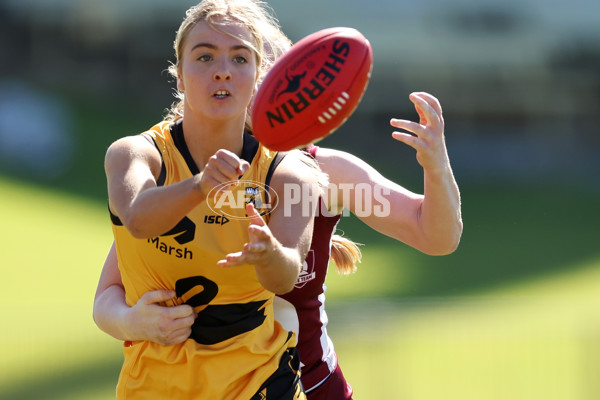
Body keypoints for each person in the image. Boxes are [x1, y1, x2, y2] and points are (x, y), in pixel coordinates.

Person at [95, 4, 463, 400]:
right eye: (212, 56)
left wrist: (437, 166)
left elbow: (435, 235)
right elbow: (112, 290)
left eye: (249, 61)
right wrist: (134, 322)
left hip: (305, 383)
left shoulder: (322, 172)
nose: (229, 72)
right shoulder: (176, 167)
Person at [96, 0, 326, 398]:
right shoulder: (135, 153)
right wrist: (201, 185)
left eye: (240, 58)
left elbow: (286, 274)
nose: (222, 70)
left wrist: (268, 252)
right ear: (180, 75)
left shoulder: (288, 173)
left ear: (257, 79)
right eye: (204, 56)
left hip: (256, 382)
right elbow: (138, 217)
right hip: (151, 384)